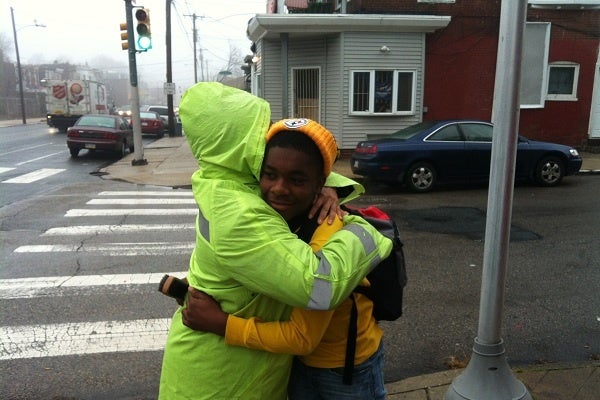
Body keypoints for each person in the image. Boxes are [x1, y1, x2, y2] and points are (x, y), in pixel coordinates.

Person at [158, 82, 393, 400]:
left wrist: (331, 191)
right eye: (259, 130)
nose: (265, 138)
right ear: (236, 141)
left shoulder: (231, 184)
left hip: (330, 365)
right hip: (220, 380)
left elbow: (293, 171)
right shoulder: (242, 211)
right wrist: (371, 231)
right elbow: (318, 286)